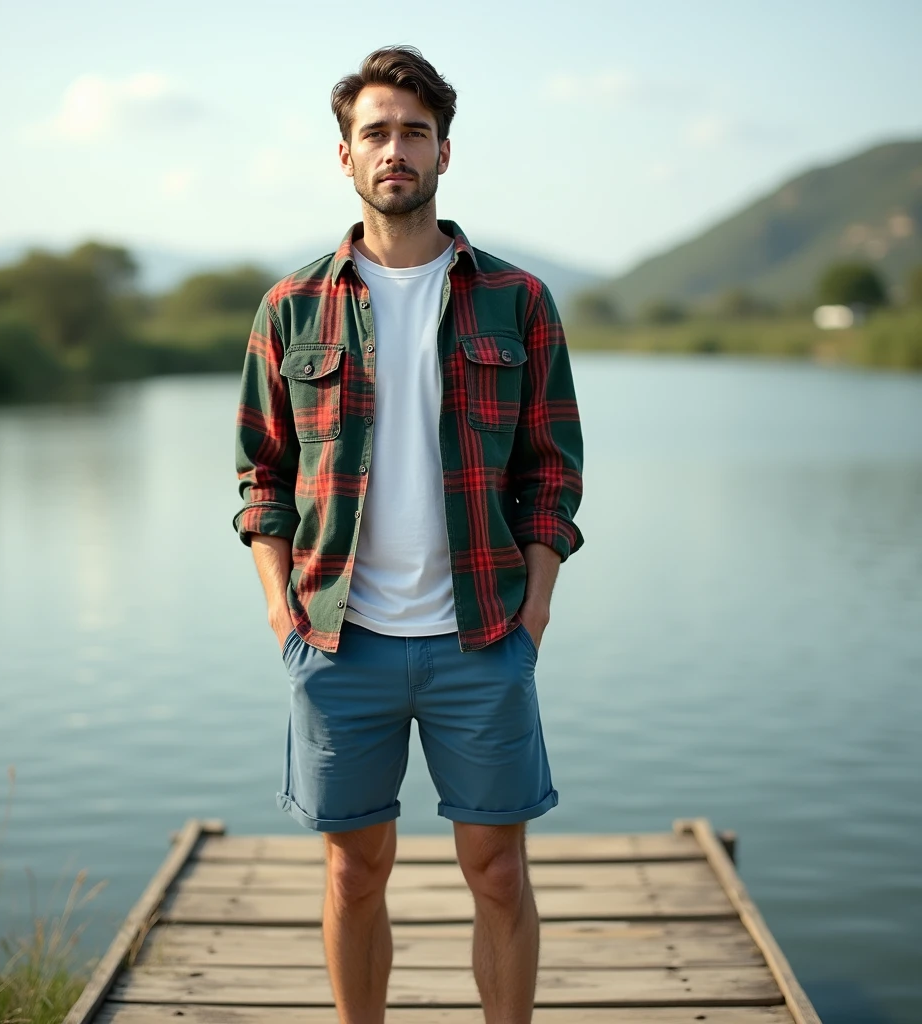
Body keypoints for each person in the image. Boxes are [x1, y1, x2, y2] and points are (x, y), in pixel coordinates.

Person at [233, 44, 584, 1024]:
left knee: (500, 871)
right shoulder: (291, 307)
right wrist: (279, 608)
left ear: (443, 154)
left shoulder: (517, 300)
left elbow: (550, 468)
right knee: (353, 872)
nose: (396, 150)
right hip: (338, 638)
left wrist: (537, 602)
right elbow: (260, 476)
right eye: (375, 133)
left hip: (481, 635)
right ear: (343, 156)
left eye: (414, 133)